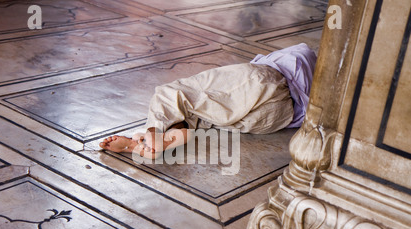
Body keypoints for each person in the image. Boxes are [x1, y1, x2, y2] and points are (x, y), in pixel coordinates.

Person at [99, 43, 317, 159]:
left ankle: (150, 136)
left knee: (183, 98)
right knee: (199, 110)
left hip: (267, 88)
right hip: (278, 114)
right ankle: (153, 138)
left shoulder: (289, 59)